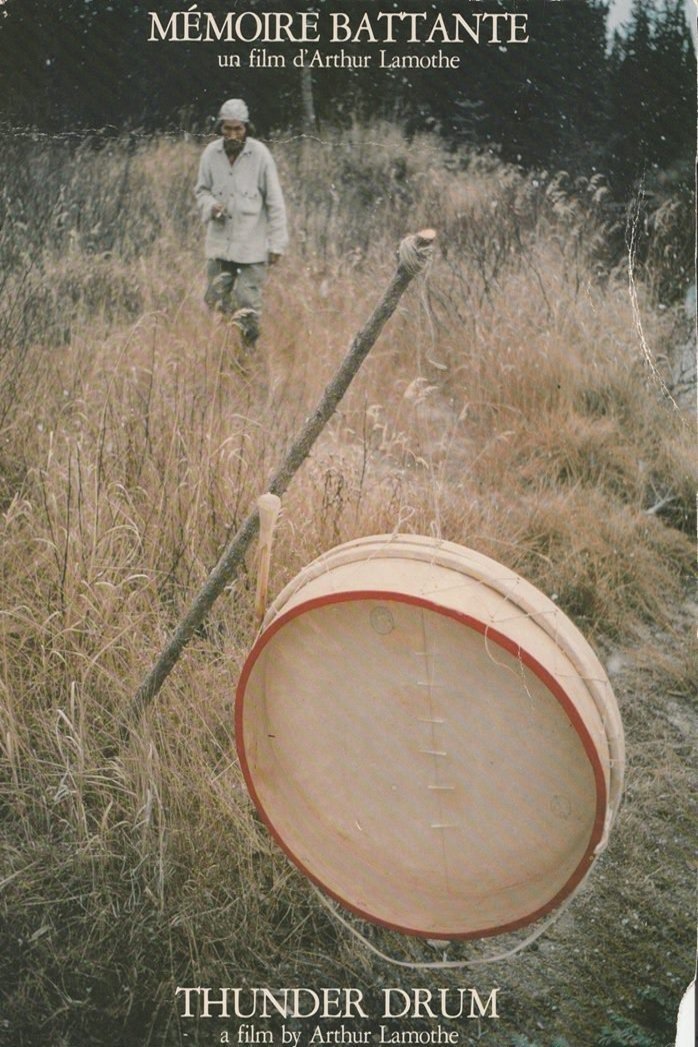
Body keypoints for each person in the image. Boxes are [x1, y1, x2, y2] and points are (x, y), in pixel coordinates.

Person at [194, 98, 288, 348]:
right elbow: (201, 191)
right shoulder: (210, 155)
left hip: (251, 247)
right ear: (220, 128)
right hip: (219, 246)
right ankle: (220, 354)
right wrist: (211, 206)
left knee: (248, 308)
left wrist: (277, 244)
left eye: (238, 129)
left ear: (247, 128)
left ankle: (248, 357)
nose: (233, 134)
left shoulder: (260, 155)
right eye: (227, 128)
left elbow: (275, 202)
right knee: (215, 302)